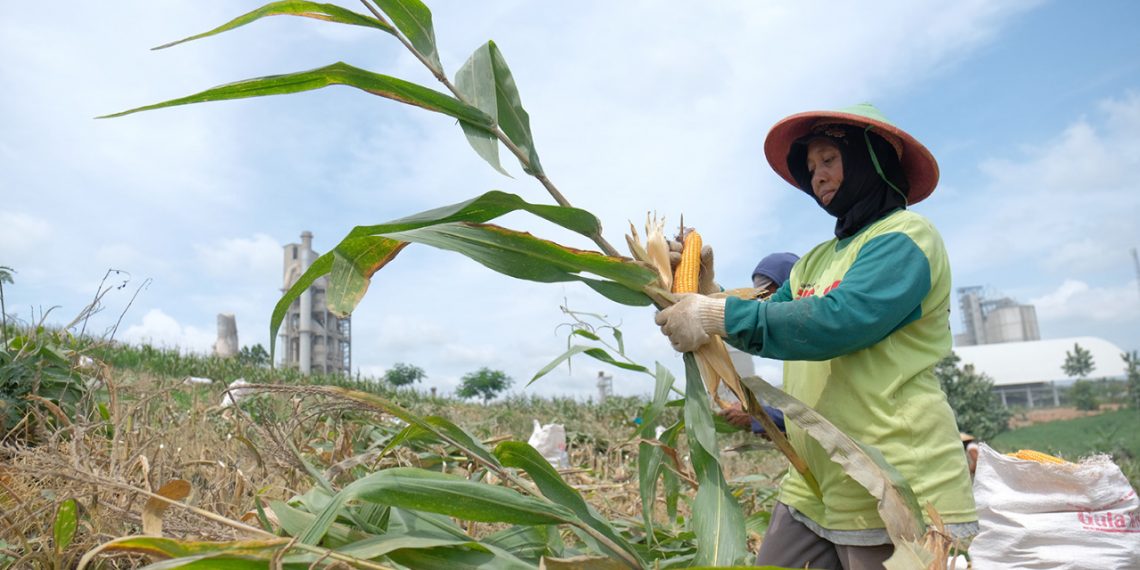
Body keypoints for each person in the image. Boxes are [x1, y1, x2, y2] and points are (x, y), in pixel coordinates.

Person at [654, 103, 977, 568]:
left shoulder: (906, 237)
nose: (818, 176)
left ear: (870, 159)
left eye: (829, 160)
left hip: (891, 477)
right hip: (813, 480)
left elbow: (838, 321)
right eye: (811, 168)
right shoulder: (814, 261)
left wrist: (712, 315)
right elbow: (770, 318)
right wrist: (701, 290)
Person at [721, 252, 800, 435]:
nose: (766, 304)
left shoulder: (819, 342)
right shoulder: (793, 348)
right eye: (761, 298)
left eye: (769, 294)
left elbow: (821, 414)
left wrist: (758, 417)